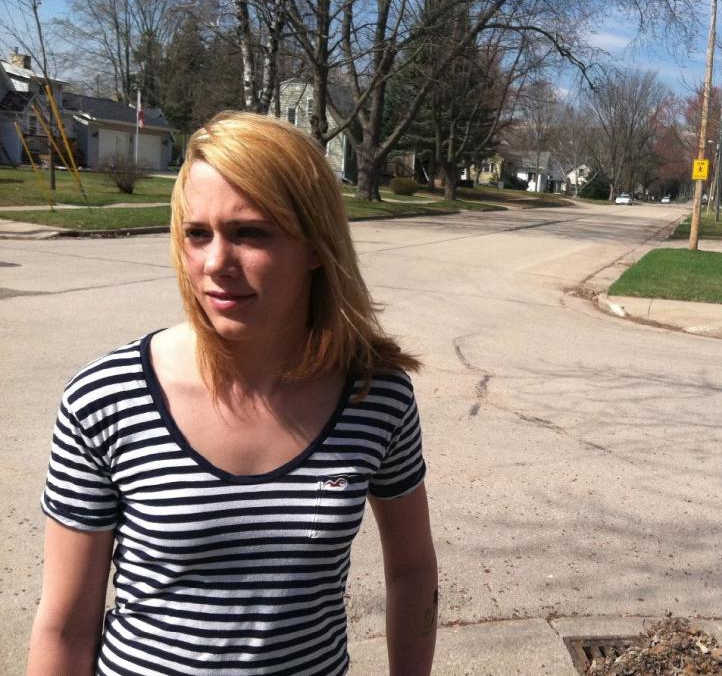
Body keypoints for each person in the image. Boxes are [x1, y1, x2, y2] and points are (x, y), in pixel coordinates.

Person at [27, 112, 438, 676]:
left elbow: (413, 569)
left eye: (250, 233)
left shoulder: (375, 395)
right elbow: (66, 626)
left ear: (317, 245)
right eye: (197, 234)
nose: (216, 263)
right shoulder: (105, 398)